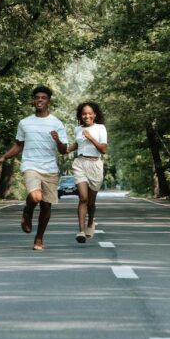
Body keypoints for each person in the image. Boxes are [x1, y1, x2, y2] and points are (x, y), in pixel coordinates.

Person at [0, 85, 69, 250]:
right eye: (37, 98)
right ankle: (27, 211)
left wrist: (57, 140)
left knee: (46, 206)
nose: (40, 100)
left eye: (43, 98)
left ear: (48, 101)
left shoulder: (57, 123)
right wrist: (4, 157)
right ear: (34, 101)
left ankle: (39, 238)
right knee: (35, 197)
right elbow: (18, 145)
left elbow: (64, 150)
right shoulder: (25, 123)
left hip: (50, 168)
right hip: (31, 165)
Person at [67, 102, 108, 243]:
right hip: (80, 163)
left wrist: (90, 137)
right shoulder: (77, 129)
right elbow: (77, 144)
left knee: (91, 202)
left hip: (95, 165)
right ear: (81, 115)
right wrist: (64, 148)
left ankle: (91, 221)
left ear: (95, 115)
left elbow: (103, 149)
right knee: (83, 198)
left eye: (90, 113)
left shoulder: (100, 128)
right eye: (84, 114)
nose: (87, 116)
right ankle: (81, 231)